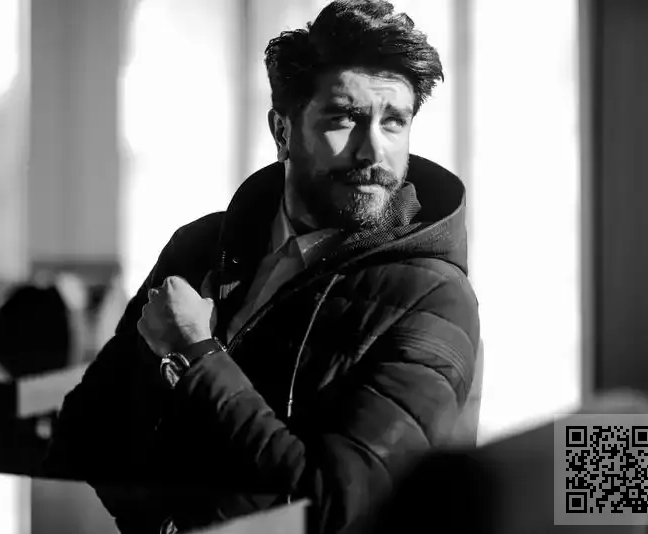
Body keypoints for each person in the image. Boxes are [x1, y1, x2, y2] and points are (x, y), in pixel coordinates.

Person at [43, 1, 481, 532]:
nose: (373, 151)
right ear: (282, 131)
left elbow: (339, 511)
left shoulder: (436, 299)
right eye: (344, 118)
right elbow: (83, 432)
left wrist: (197, 356)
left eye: (394, 122)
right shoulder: (199, 247)